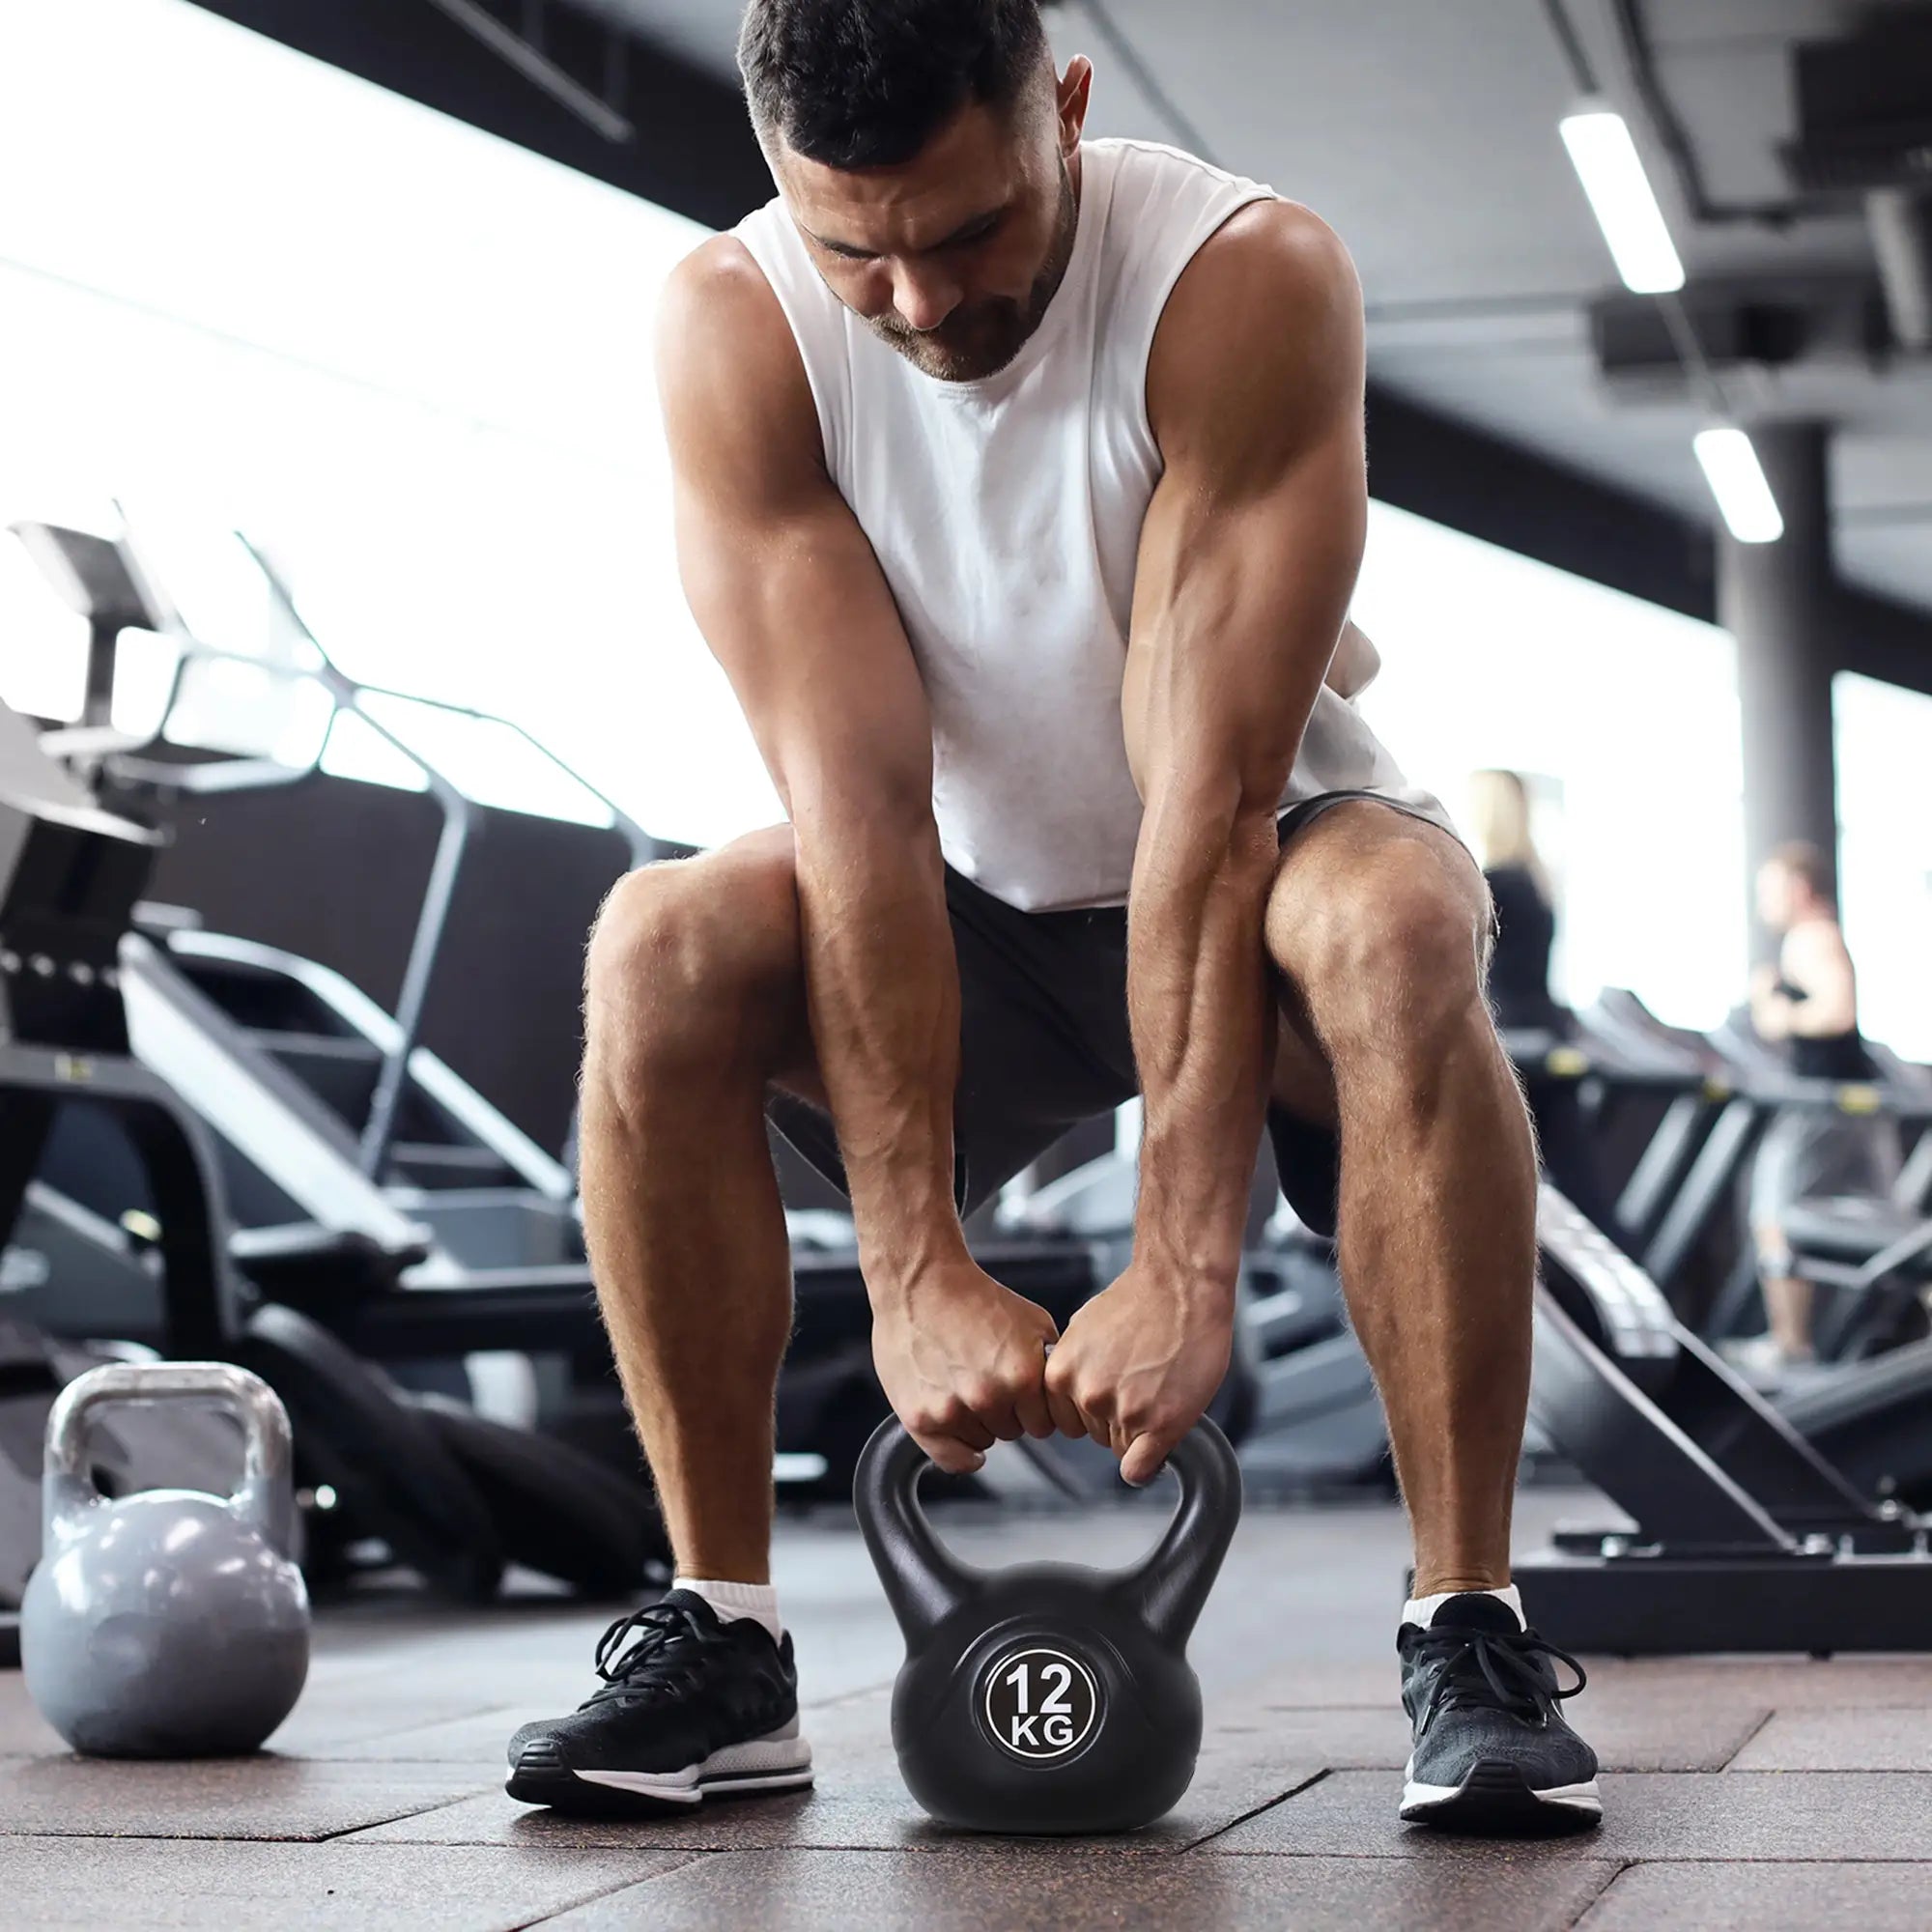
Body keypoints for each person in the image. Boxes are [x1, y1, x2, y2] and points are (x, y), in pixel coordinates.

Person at [508, 0, 1599, 1833]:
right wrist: (914, 1269)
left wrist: (1185, 1261)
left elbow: (1206, 800)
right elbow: (855, 821)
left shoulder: (1243, 281)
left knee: (1402, 921)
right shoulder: (738, 328)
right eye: (857, 248)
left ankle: (1466, 1628)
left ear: (1065, 108)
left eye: (966, 232)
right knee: (657, 943)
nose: (921, 303)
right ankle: (726, 1631)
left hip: (1257, 871)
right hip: (956, 899)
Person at [1740, 841, 1901, 1380]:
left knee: (1773, 1212)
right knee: (1895, 1226)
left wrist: (1779, 1008)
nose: (1764, 900)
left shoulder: (1811, 937)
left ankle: (1791, 1343)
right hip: (1847, 1099)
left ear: (1800, 890)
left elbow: (1836, 1010)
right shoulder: (1816, 937)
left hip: (1826, 1103)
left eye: (1771, 887)